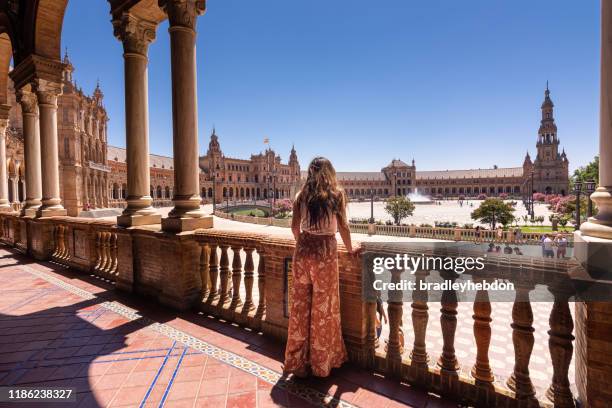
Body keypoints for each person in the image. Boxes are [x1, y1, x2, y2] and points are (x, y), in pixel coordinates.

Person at [284, 157, 360, 378]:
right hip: (325, 253)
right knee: (322, 310)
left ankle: (297, 364)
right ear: (330, 172)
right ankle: (320, 365)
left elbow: (294, 227)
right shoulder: (336, 195)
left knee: (299, 308)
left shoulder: (301, 196)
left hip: (302, 251)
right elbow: (343, 227)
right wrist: (350, 248)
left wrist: (305, 244)